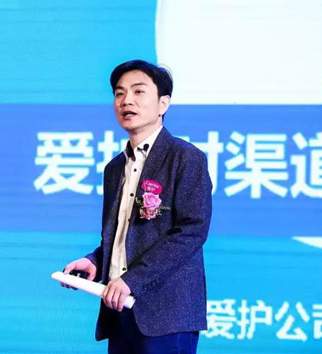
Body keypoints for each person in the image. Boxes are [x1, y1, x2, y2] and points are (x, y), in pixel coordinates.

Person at [62, 59, 212, 353]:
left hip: (166, 315)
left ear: (163, 103)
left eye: (138, 91)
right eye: (119, 93)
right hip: (119, 311)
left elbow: (191, 231)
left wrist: (133, 279)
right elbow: (123, 235)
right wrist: (95, 261)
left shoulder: (185, 157)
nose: (126, 100)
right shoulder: (114, 168)